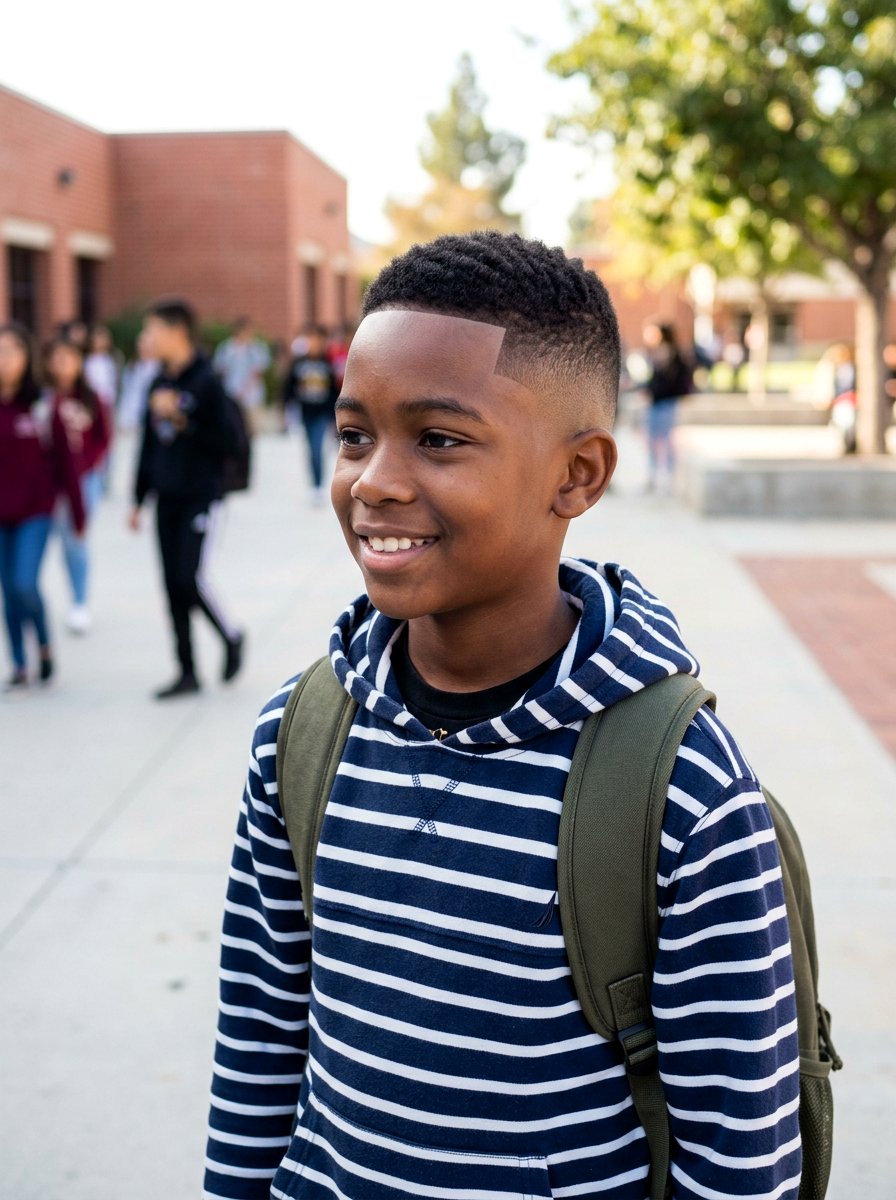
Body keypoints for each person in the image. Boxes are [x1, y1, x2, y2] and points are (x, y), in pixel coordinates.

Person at [204, 233, 801, 1199]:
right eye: (356, 435)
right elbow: (260, 1043)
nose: (374, 481)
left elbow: (741, 1151)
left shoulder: (678, 785)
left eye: (438, 439)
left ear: (579, 476)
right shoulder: (304, 735)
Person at [129, 299, 244, 700]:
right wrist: (137, 497)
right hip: (166, 497)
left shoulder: (207, 382)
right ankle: (186, 670)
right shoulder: (157, 381)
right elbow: (147, 444)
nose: (147, 339)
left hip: (201, 496)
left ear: (177, 333)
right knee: (171, 586)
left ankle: (231, 637)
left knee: (187, 577)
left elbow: (229, 442)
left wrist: (182, 419)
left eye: (152, 331)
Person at [0, 322, 85, 688]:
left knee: (23, 583)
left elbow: (67, 464)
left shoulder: (43, 406)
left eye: (11, 351)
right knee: (7, 590)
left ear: (27, 357)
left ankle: (45, 644)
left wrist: (79, 514)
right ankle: (20, 665)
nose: (4, 360)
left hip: (35, 512)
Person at [44, 334, 112, 633]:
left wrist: (86, 464)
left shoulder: (90, 398)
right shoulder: (42, 398)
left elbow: (103, 437)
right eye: (56, 359)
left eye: (68, 358)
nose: (62, 366)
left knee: (76, 538)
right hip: (49, 480)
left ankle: (79, 600)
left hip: (84, 478)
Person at [282, 325, 338, 505]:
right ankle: (314, 484)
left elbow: (334, 390)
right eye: (310, 340)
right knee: (310, 450)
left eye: (316, 340)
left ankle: (318, 485)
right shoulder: (298, 364)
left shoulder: (327, 363)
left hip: (322, 413)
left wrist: (335, 415)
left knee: (317, 449)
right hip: (306, 413)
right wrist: (285, 409)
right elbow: (288, 388)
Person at [642, 319, 693, 493]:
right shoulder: (676, 352)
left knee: (659, 440)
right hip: (666, 403)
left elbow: (658, 380)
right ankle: (664, 477)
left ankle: (659, 477)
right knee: (663, 440)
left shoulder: (664, 352)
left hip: (661, 403)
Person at [212, 317, 271, 435]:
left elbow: (258, 371)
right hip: (231, 392)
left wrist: (245, 389)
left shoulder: (256, 348)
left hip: (251, 395)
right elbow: (219, 369)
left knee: (252, 429)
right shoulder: (227, 348)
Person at [117, 329, 159, 432]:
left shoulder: (159, 369)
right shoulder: (132, 366)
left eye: (147, 343)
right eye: (141, 343)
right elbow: (126, 395)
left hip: (148, 424)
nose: (143, 347)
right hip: (128, 423)